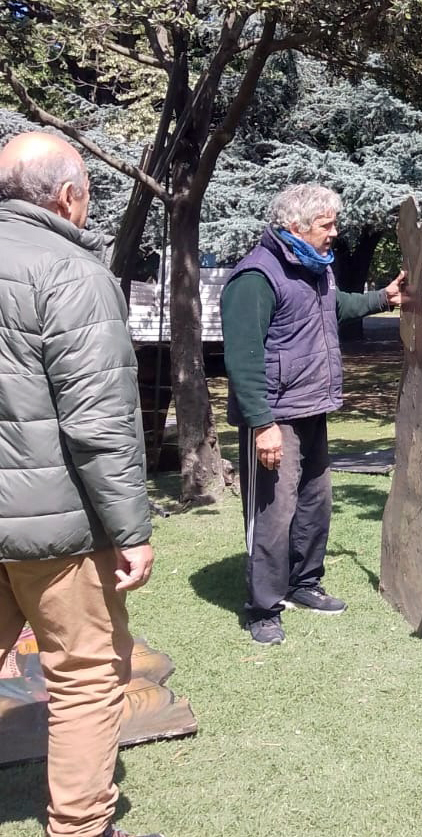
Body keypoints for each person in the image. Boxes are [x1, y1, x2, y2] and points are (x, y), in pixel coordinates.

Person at [0, 132, 158, 837]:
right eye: (89, 190)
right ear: (68, 196)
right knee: (87, 676)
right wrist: (132, 531)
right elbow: (100, 422)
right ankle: (82, 828)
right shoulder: (70, 271)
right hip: (52, 529)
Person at [221, 184, 410, 645]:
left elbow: (337, 306)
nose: (335, 233)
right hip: (274, 417)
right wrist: (262, 425)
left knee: (314, 504)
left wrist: (383, 297)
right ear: (296, 228)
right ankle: (262, 607)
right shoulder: (256, 276)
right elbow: (243, 358)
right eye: (327, 225)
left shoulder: (314, 270)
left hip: (311, 407)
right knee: (272, 512)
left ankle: (304, 584)